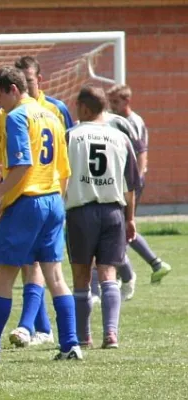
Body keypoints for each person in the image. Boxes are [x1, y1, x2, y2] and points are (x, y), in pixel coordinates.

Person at [0, 66, 81, 364]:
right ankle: (70, 345)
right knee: (55, 276)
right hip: (53, 200)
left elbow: (22, 165)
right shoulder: (51, 116)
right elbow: (64, 170)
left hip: (26, 203)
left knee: (3, 277)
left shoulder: (16, 117)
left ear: (13, 90)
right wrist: (56, 202)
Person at [65, 85, 140, 348]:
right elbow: (131, 185)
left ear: (85, 108)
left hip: (81, 211)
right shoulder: (120, 138)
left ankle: (84, 336)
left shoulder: (71, 136)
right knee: (108, 273)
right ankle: (111, 334)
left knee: (81, 276)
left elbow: (60, 176)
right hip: (113, 212)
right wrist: (130, 219)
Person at [107, 84, 171, 284]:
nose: (112, 106)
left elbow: (141, 152)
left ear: (127, 101)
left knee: (121, 227)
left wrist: (138, 178)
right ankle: (153, 264)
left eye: (115, 102)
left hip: (130, 183)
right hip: (124, 182)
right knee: (121, 227)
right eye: (111, 102)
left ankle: (131, 271)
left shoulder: (133, 122)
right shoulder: (116, 121)